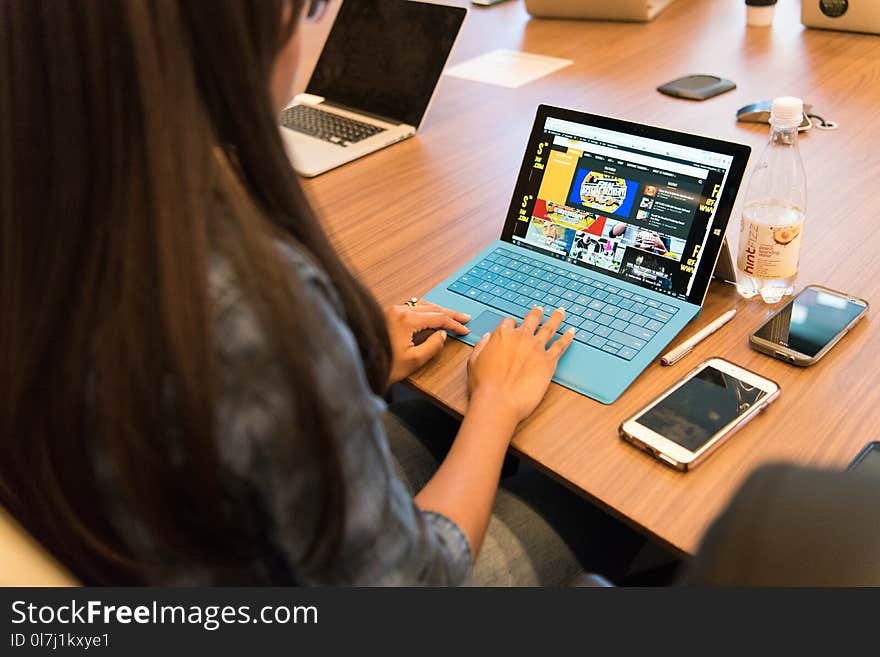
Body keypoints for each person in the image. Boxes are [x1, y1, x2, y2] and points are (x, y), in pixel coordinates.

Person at [0, 0, 642, 585]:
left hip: (148, 547)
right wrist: (495, 405)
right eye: (299, 13)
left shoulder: (57, 224)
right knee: (584, 501)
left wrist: (341, 369)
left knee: (422, 416)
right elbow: (417, 586)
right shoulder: (246, 306)